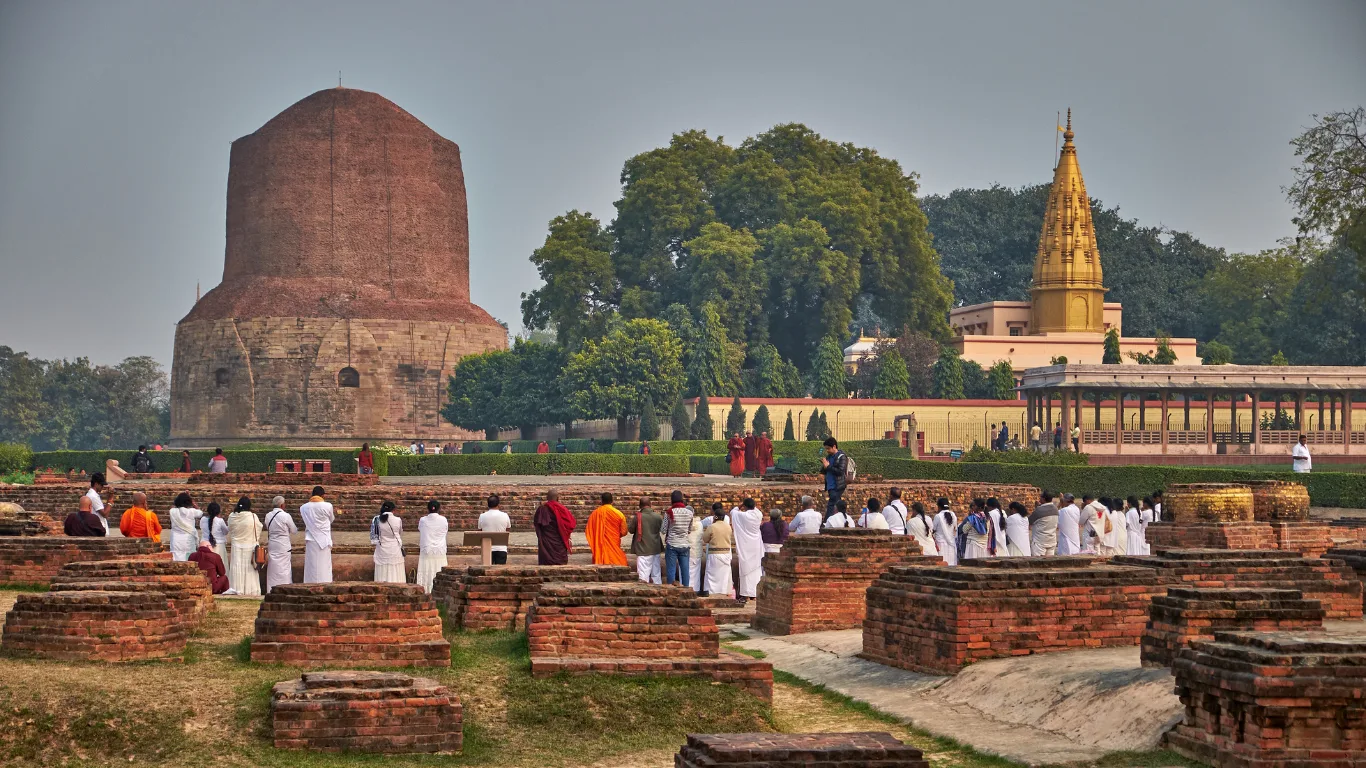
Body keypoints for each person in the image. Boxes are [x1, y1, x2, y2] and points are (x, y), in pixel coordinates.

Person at [227, 496, 263, 596]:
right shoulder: (253, 516)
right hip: (250, 547)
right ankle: (250, 591)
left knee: (237, 567)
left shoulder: (232, 516)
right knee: (250, 569)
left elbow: (230, 529)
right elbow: (259, 529)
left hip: (236, 546)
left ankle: (236, 588)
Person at [730, 498, 764, 603]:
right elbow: (756, 509)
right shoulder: (759, 515)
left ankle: (745, 594)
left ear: (744, 506)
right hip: (756, 546)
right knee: (756, 569)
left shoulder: (743, 515)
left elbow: (732, 512)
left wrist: (740, 505)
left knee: (745, 570)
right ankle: (755, 593)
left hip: (746, 545)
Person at [300, 486, 335, 583]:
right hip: (323, 539)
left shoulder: (303, 507)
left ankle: (309, 584)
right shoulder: (327, 506)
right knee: (324, 565)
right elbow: (331, 519)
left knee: (311, 565)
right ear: (323, 495)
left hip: (310, 538)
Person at [533, 490, 576, 566]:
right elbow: (571, 524)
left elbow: (537, 524)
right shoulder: (562, 509)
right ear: (558, 498)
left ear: (547, 498)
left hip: (547, 540)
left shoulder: (542, 509)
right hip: (559, 540)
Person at [627, 498, 665, 584]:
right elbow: (662, 529)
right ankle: (659, 591)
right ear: (650, 504)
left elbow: (631, 530)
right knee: (656, 573)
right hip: (655, 548)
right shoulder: (658, 517)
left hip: (642, 549)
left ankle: (644, 594)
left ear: (640, 506)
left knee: (643, 575)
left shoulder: (638, 517)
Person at [264, 496, 297, 593]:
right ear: (282, 505)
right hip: (283, 545)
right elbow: (294, 530)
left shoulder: (268, 516)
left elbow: (267, 527)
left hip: (273, 544)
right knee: (284, 568)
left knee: (272, 568)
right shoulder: (286, 516)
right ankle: (285, 589)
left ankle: (271, 589)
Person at [663, 490, 694, 587]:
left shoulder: (669, 512)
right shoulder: (689, 513)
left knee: (671, 571)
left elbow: (663, 530)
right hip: (684, 544)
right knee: (685, 571)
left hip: (672, 544)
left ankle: (671, 591)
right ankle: (686, 591)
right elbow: (689, 529)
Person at [586, 492, 627, 566]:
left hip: (600, 544)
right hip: (614, 541)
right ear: (612, 501)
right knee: (618, 562)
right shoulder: (619, 514)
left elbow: (589, 531)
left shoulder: (595, 514)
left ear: (601, 501)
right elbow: (624, 532)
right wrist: (615, 535)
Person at [701, 505, 734, 597]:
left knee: (711, 574)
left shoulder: (712, 527)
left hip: (714, 553)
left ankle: (710, 593)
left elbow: (705, 539)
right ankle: (722, 593)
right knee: (723, 576)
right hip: (726, 553)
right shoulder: (728, 527)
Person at [370, 501, 406, 583]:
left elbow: (374, 536)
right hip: (395, 549)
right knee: (396, 572)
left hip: (382, 549)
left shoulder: (376, 519)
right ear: (393, 510)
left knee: (382, 572)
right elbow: (400, 533)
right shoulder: (398, 520)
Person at [820, 438, 849, 519]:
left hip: (837, 485)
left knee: (831, 505)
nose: (827, 451)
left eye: (828, 448)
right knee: (838, 505)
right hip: (830, 485)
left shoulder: (841, 457)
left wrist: (828, 466)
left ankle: (826, 523)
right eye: (826, 449)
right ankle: (842, 520)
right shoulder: (829, 457)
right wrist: (824, 465)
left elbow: (840, 471)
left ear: (834, 446)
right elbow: (824, 471)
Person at [168, 492, 202, 561]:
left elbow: (173, 507)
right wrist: (193, 503)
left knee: (176, 558)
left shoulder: (172, 511)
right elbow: (200, 513)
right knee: (189, 559)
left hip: (176, 540)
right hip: (188, 540)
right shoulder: (191, 511)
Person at [478, 495, 511, 565]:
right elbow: (507, 530)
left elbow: (480, 531)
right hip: (501, 548)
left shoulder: (482, 516)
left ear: (488, 504)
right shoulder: (505, 515)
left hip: (487, 548)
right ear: (498, 504)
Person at [1029, 490, 1059, 556]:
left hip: (1039, 542)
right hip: (1051, 540)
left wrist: (1036, 508)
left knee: (1037, 563)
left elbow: (1029, 521)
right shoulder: (1055, 509)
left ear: (1044, 499)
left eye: (1041, 497)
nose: (1039, 498)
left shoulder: (1039, 510)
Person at [932, 498, 958, 565]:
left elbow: (933, 529)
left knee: (942, 564)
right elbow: (955, 528)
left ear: (939, 507)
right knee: (951, 563)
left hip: (941, 543)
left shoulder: (938, 516)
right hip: (951, 543)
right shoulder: (953, 515)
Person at [687, 516, 706, 592]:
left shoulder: (684, 523)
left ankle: (685, 590)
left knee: (685, 573)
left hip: (686, 551)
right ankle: (696, 591)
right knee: (695, 575)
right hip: (696, 552)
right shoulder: (700, 524)